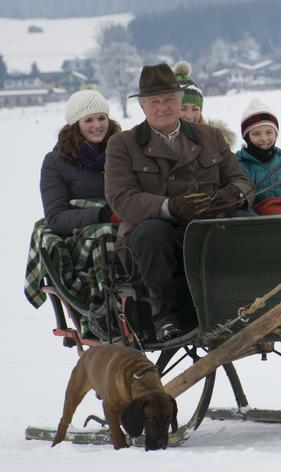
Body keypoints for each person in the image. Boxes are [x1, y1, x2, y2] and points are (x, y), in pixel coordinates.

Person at [105, 63, 253, 342]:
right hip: (152, 241)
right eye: (155, 102)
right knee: (153, 232)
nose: (163, 107)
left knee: (245, 224)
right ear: (143, 107)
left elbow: (243, 182)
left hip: (206, 229)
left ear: (180, 100)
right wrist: (169, 207)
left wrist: (231, 196)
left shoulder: (211, 137)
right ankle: (165, 316)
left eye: (169, 100)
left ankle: (242, 303)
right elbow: (121, 198)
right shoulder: (123, 144)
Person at [40, 90, 121, 235]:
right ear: (75, 125)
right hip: (85, 237)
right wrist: (103, 216)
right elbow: (56, 217)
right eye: (88, 120)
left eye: (102, 118)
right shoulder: (55, 162)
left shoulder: (122, 152)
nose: (97, 125)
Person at [173, 61, 238, 149]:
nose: (189, 116)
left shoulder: (216, 143)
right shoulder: (157, 143)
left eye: (195, 109)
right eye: (183, 109)